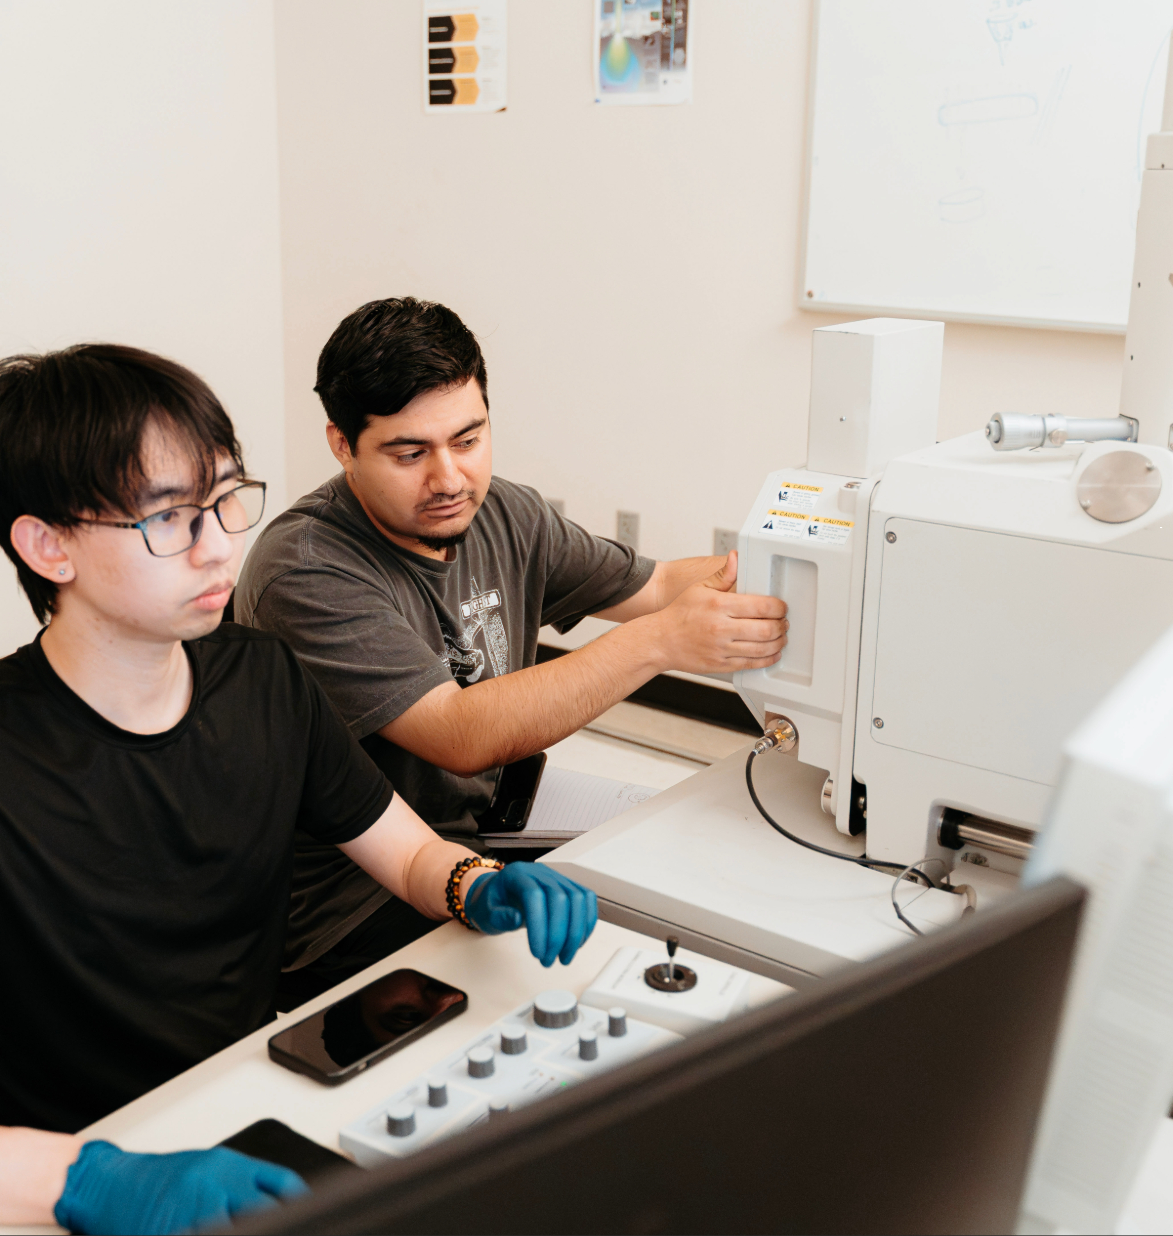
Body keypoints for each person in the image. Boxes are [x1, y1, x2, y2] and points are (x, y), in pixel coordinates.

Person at [0, 344, 597, 1236]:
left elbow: (409, 851)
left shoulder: (262, 680)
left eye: (226, 501)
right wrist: (93, 1181)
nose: (219, 545)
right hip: (42, 1188)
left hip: (226, 1123)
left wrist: (477, 885)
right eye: (168, 520)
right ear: (48, 545)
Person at [236, 298, 786, 1009]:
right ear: (343, 445)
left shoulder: (503, 512)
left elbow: (655, 586)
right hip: (348, 899)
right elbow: (462, 734)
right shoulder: (306, 569)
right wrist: (664, 642)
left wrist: (792, 573)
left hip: (483, 826)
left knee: (685, 866)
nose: (449, 479)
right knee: (555, 998)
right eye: (409, 454)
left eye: (468, 440)